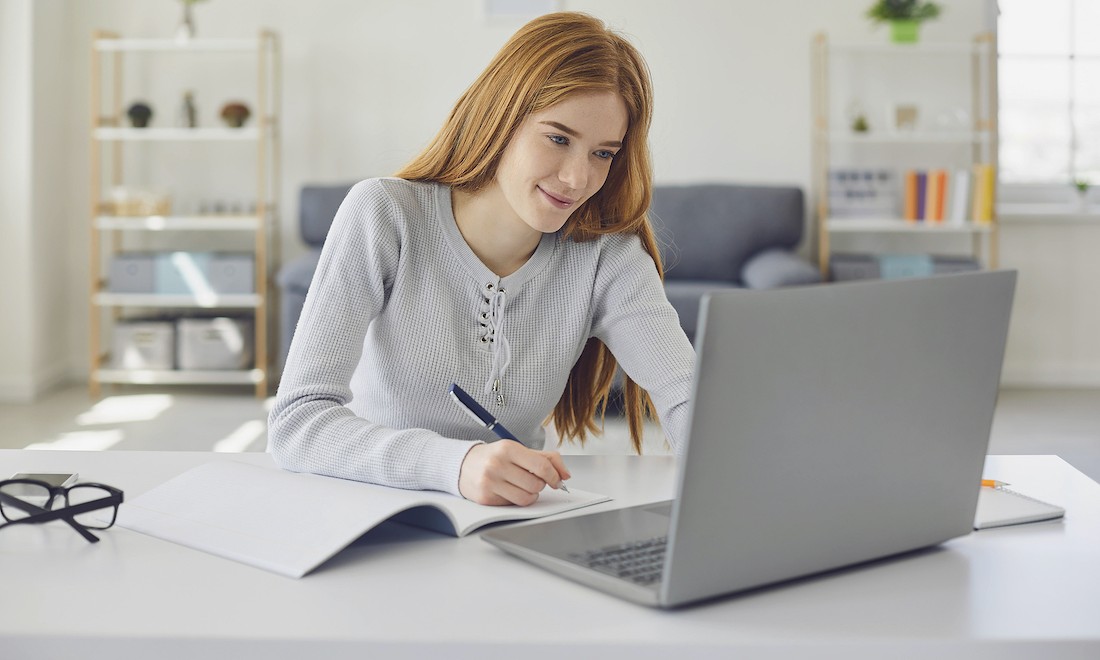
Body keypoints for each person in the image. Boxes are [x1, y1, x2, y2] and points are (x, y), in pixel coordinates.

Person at [268, 12, 694, 506]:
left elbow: (686, 393)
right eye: (558, 139)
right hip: (371, 506)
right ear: (501, 117)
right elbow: (298, 421)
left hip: (514, 516)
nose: (578, 178)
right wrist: (455, 463)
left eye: (602, 154)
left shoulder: (606, 255)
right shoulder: (386, 214)